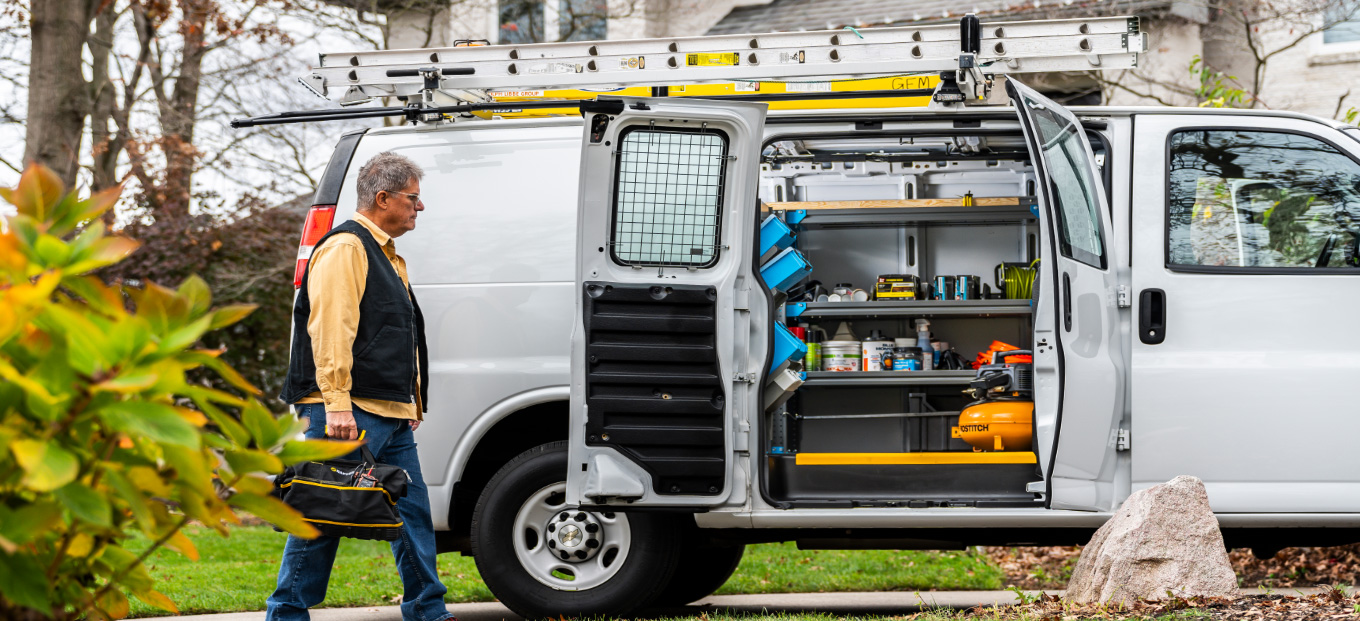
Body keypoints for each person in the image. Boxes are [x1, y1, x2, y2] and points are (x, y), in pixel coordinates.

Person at [268, 151, 451, 621]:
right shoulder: (347, 247)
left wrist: (410, 401)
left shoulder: (386, 254)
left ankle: (428, 613)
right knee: (323, 513)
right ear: (383, 197)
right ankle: (285, 615)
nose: (420, 207)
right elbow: (332, 330)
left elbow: (393, 334)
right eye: (413, 197)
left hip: (387, 413)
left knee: (412, 517)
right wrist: (338, 405)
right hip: (348, 412)